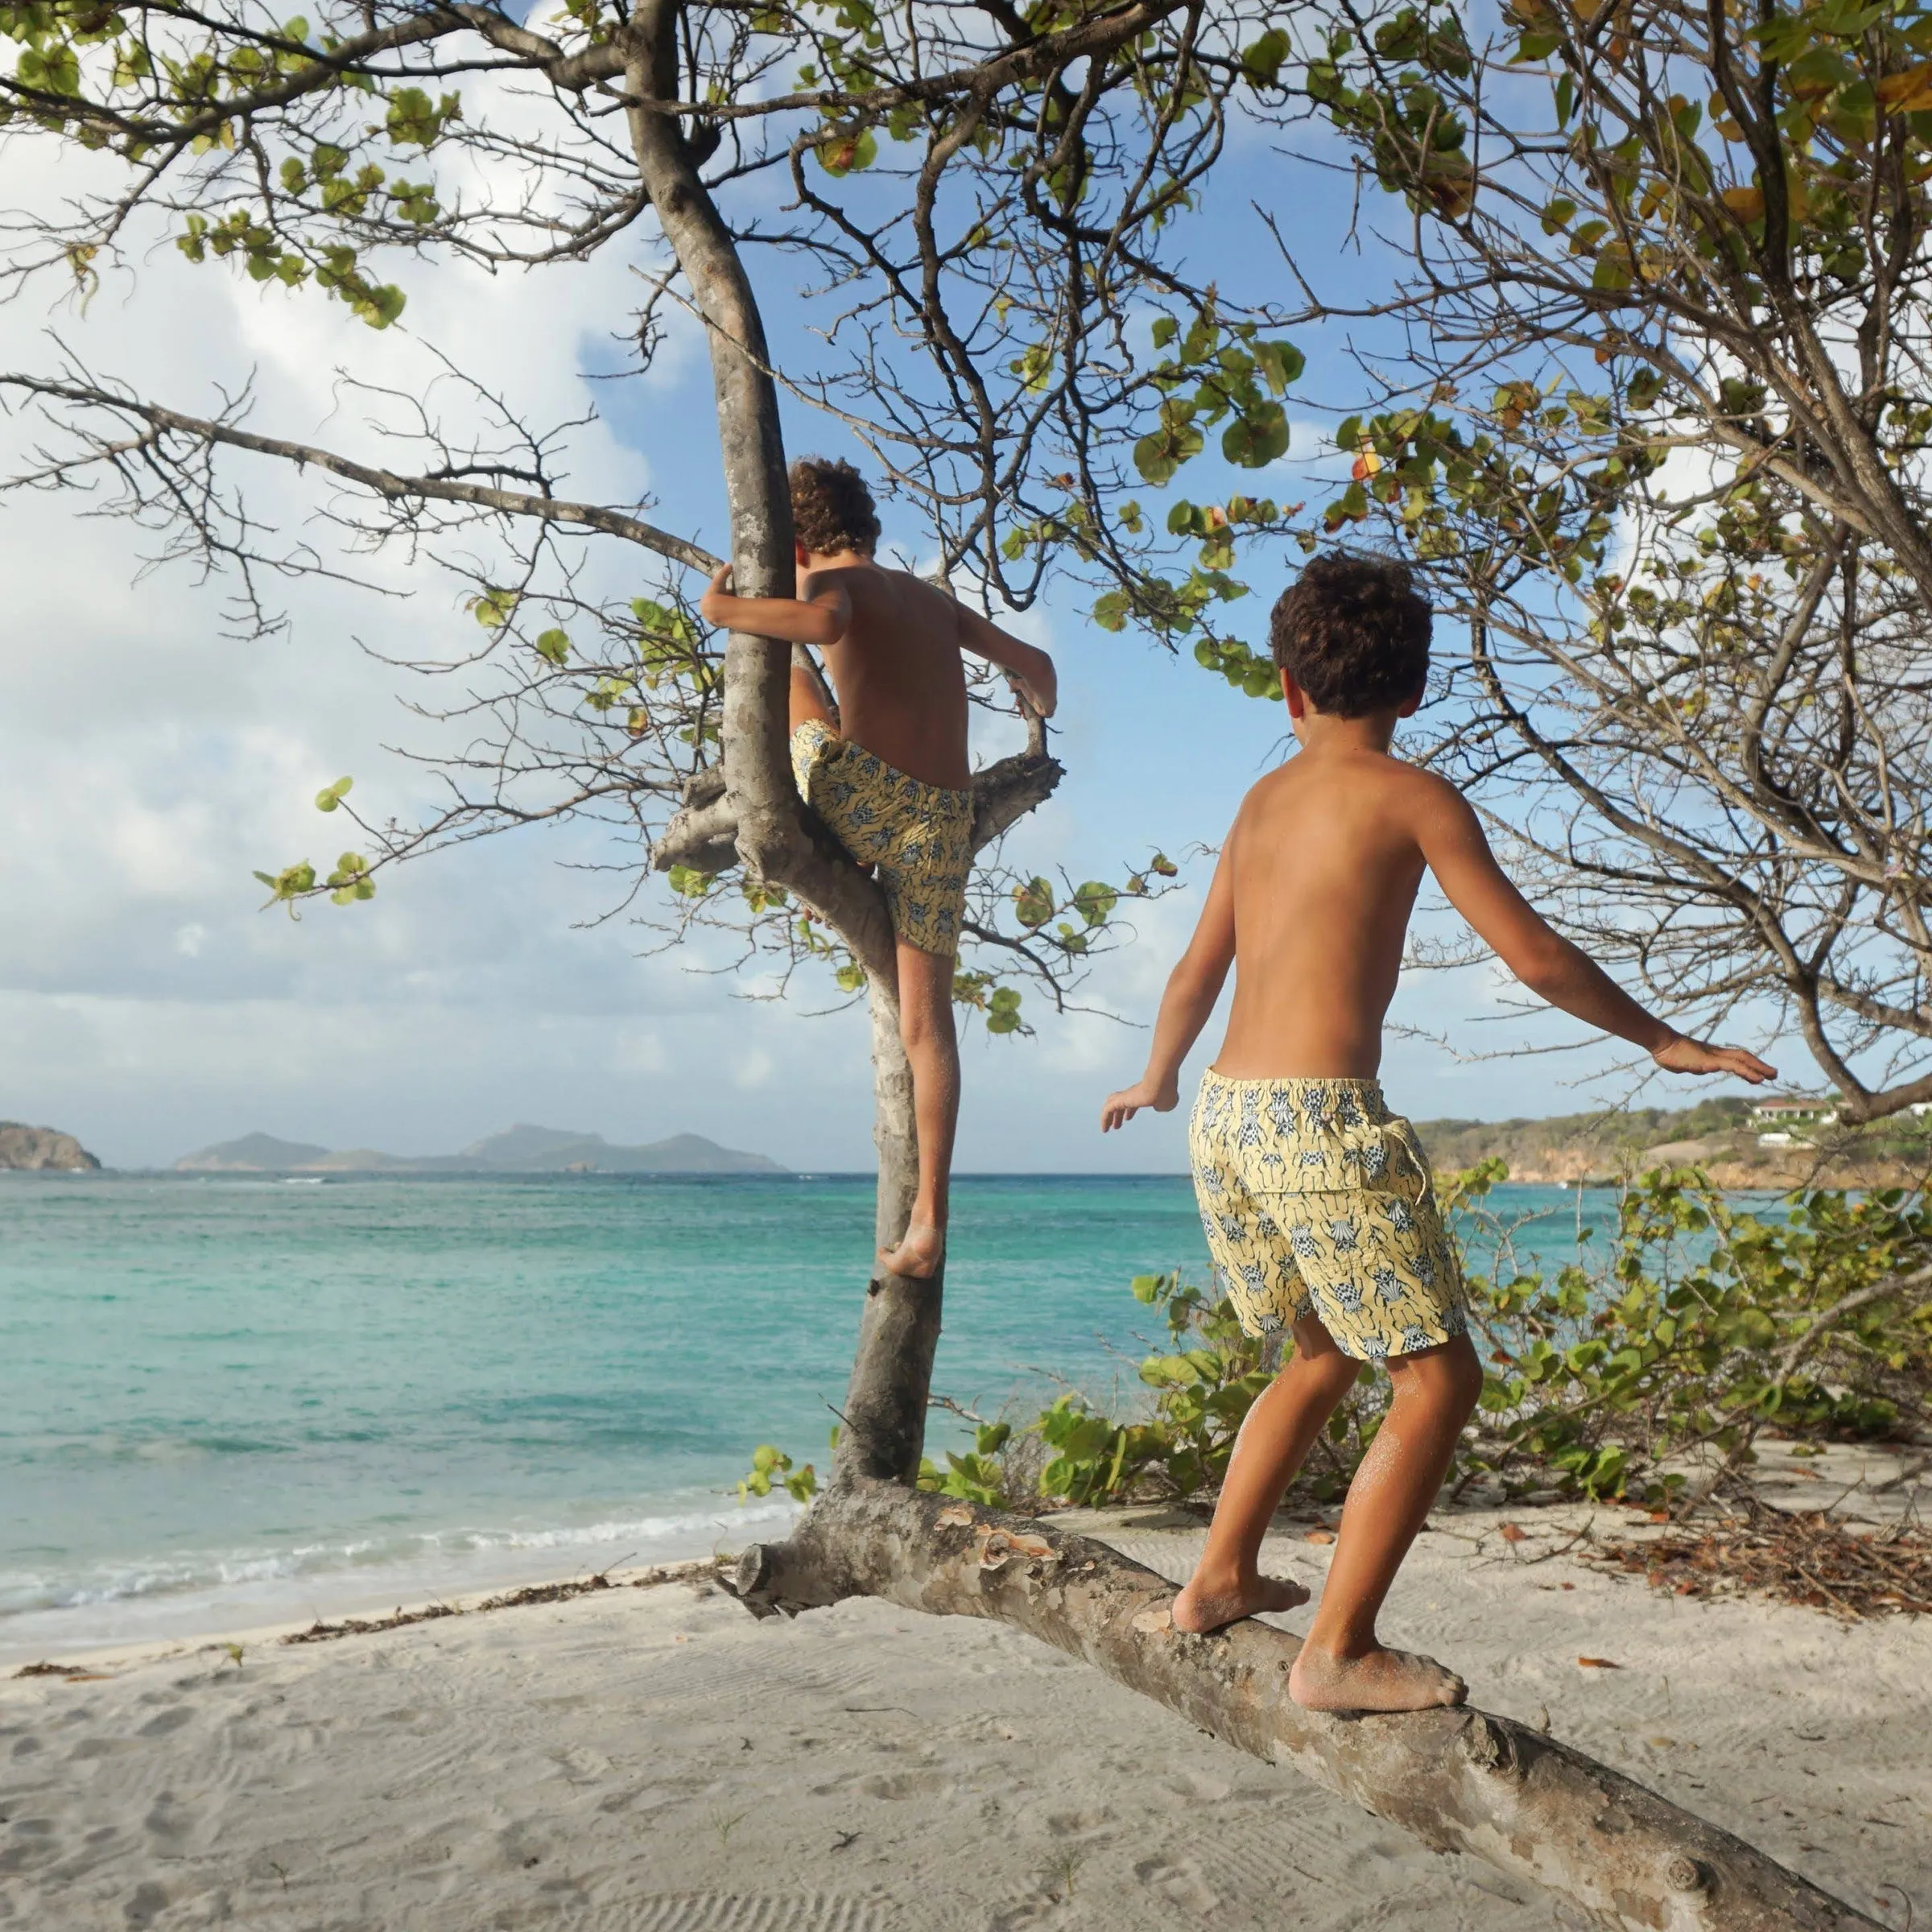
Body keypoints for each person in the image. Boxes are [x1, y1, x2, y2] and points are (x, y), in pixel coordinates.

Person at [1099, 551, 1774, 1713]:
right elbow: (1536, 959)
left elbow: (1198, 964)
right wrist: (1660, 1039)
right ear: (1414, 695)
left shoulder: (1259, 803)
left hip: (1223, 1115)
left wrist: (1157, 1075)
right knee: (1437, 1378)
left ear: (1288, 689)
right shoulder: (1415, 796)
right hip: (1319, 1120)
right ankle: (1338, 1650)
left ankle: (1215, 1578)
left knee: (1315, 1356)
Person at [700, 456, 1057, 1280]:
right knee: (927, 1027)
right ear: (867, 525)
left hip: (865, 801)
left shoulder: (834, 587)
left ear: (798, 543)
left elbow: (822, 627)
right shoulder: (932, 598)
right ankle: (929, 1219)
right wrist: (1037, 708)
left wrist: (729, 609)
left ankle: (827, 835)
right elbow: (1037, 667)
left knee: (782, 669)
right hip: (944, 823)